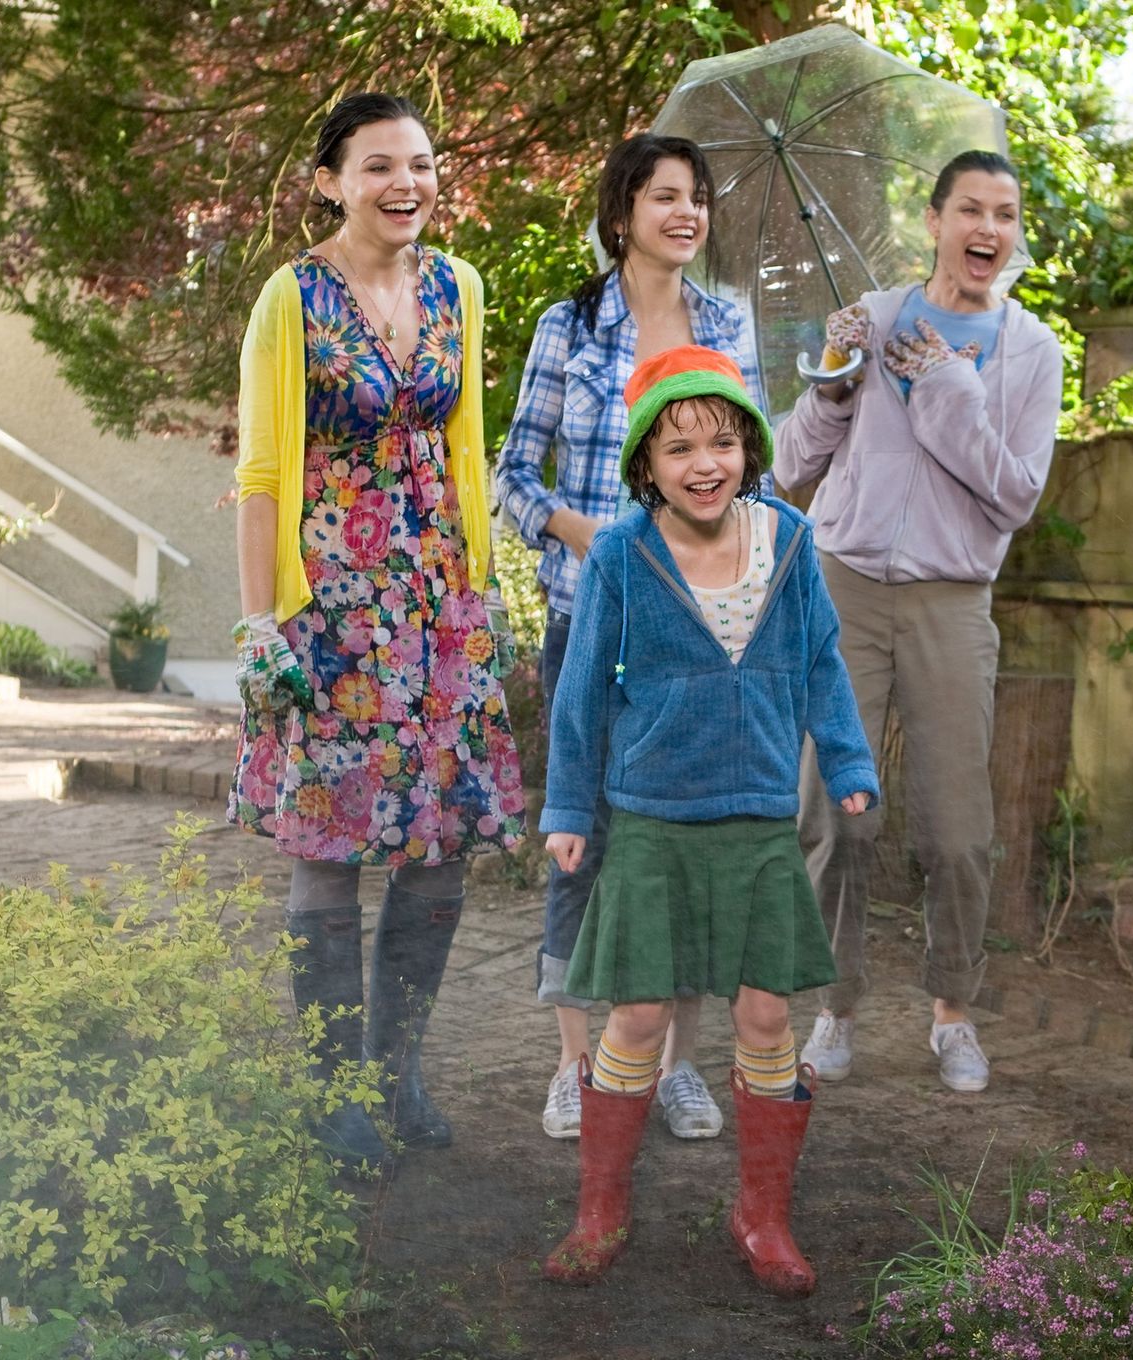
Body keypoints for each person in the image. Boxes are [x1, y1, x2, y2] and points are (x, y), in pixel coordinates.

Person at [537, 346, 877, 1296]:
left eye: (723, 440)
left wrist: (845, 761)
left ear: (750, 449)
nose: (705, 462)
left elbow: (822, 665)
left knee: (768, 1015)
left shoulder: (793, 542)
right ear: (646, 461)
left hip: (760, 819)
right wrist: (569, 804)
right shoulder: (620, 553)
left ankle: (761, 1217)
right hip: (652, 820)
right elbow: (579, 698)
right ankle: (601, 1209)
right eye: (679, 445)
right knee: (640, 1012)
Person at [228, 92, 528, 1166]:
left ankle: (396, 1068)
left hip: (440, 607)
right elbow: (263, 471)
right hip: (332, 610)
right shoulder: (293, 296)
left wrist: (481, 592)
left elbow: (466, 449)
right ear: (329, 181)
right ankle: (328, 1089)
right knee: (328, 845)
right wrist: (263, 621)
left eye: (420, 164)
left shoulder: (460, 287)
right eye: (377, 166)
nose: (405, 184)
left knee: (437, 849)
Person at [494, 134, 766, 1144]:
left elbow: (758, 476)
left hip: (701, 636)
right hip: (590, 623)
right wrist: (597, 537)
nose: (685, 212)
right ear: (622, 214)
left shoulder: (728, 321)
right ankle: (579, 1067)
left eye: (696, 196)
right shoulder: (569, 325)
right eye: (664, 196)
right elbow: (513, 479)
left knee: (685, 850)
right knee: (584, 843)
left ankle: (674, 1067)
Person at [775, 149, 1064, 1096]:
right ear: (935, 220)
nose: (989, 229)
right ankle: (834, 1008)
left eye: (1006, 214)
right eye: (971, 209)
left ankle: (952, 1011)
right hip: (844, 584)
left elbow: (1015, 495)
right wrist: (831, 382)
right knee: (833, 817)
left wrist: (945, 385)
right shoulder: (875, 318)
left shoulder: (1030, 352)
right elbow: (788, 465)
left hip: (951, 599)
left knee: (955, 831)